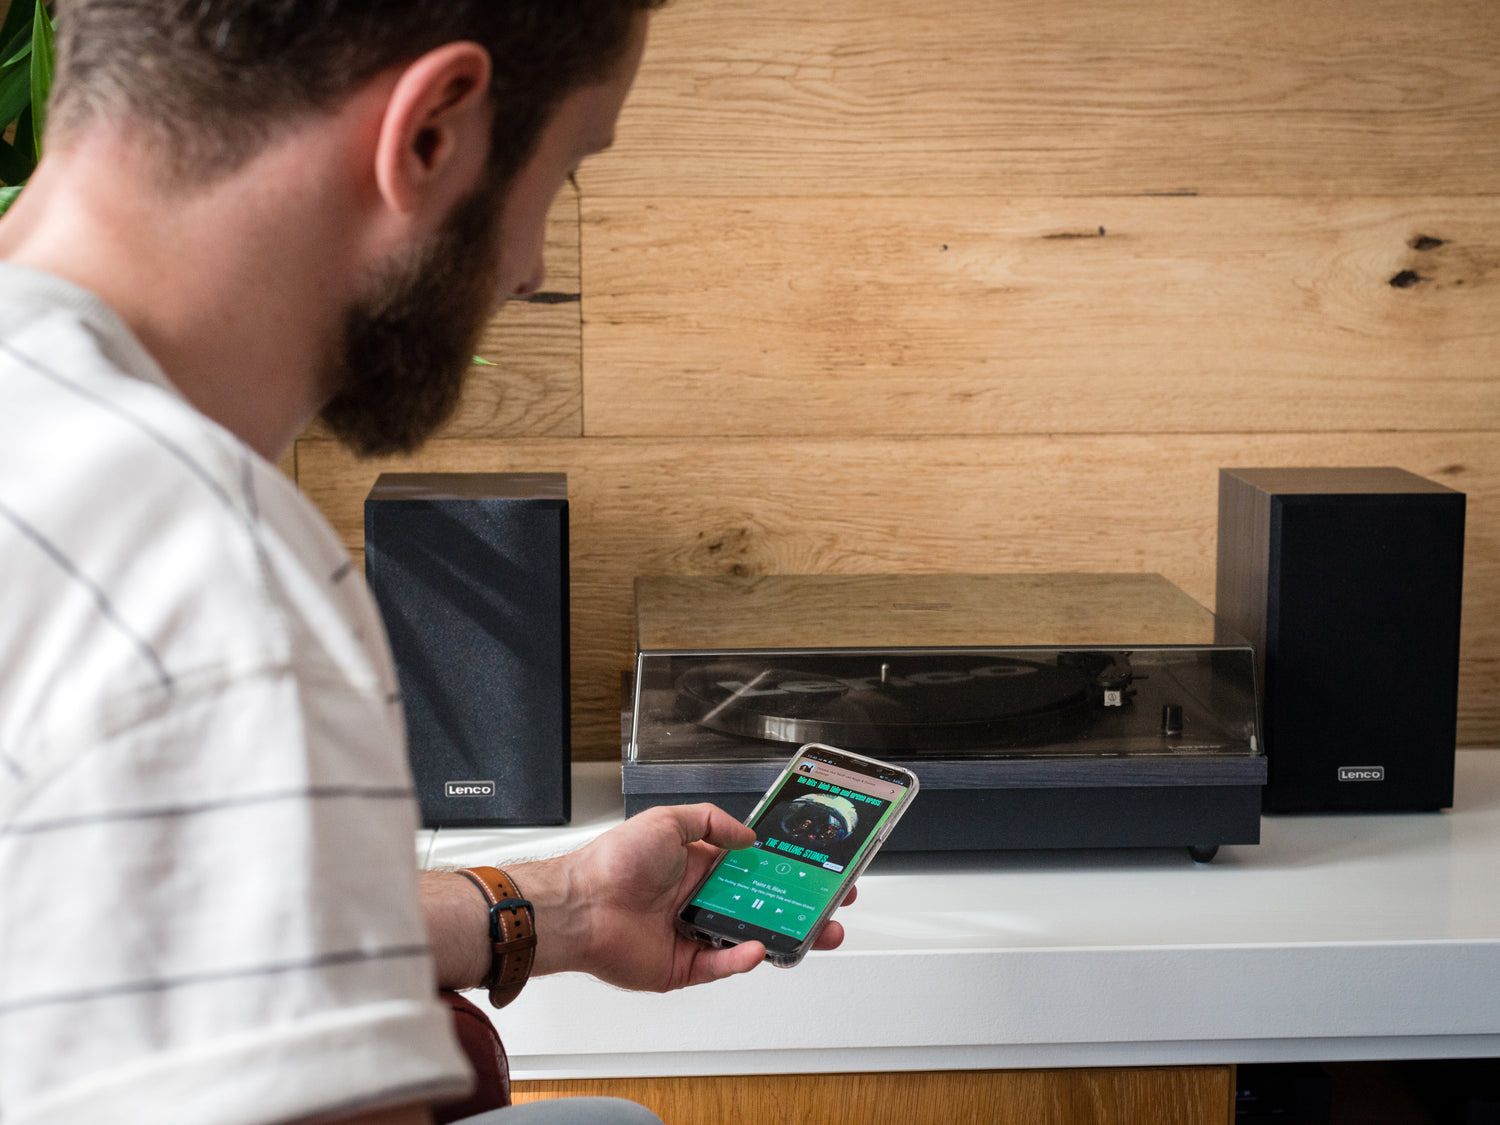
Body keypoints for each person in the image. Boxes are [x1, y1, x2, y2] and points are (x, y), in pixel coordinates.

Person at [0, 4, 853, 1123]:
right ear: (431, 133)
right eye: (562, 174)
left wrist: (568, 904)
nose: (532, 269)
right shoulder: (201, 573)